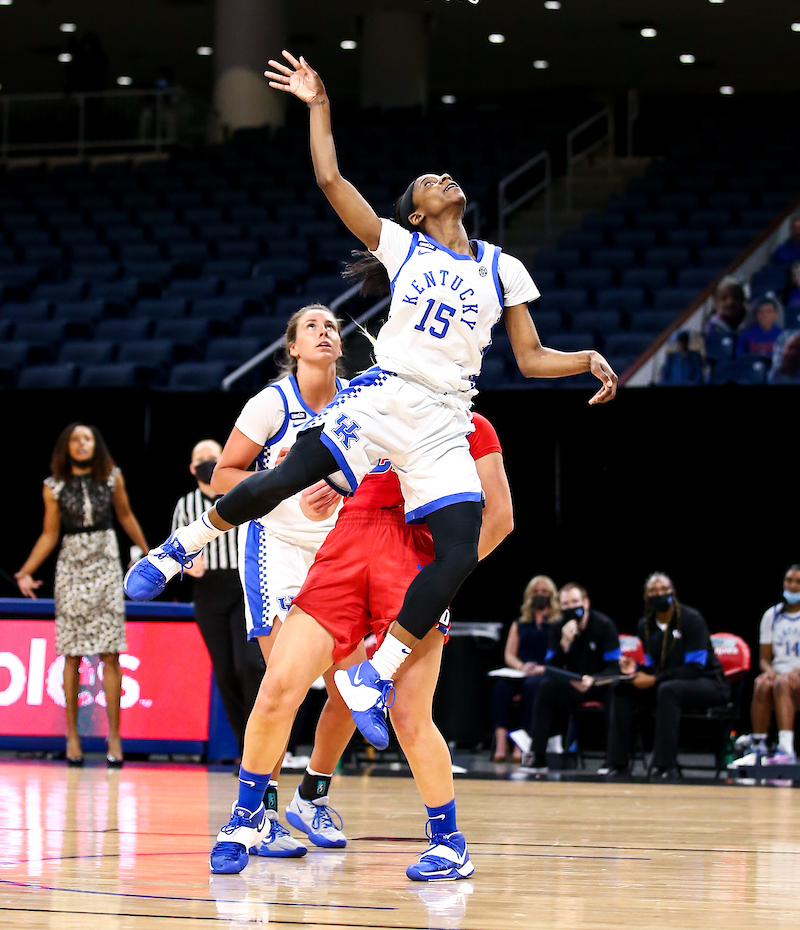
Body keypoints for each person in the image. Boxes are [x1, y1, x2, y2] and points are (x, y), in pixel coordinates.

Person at [126, 50, 617, 751]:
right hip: (386, 396)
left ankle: (372, 675)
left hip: (446, 420)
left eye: (446, 175)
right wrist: (318, 104)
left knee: (457, 554)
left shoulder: (501, 264)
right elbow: (330, 178)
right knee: (286, 475)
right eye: (430, 181)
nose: (445, 177)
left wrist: (583, 361)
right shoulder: (403, 248)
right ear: (417, 214)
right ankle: (181, 548)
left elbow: (531, 357)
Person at [209, 411, 513, 881]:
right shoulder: (369, 405)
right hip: (346, 541)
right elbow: (317, 480)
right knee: (278, 687)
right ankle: (247, 816)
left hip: (413, 549)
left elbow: (501, 517)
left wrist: (449, 574)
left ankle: (449, 844)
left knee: (410, 714)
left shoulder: (470, 424)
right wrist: (316, 482)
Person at [209, 304, 357, 858]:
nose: (326, 332)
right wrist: (289, 488)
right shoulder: (271, 402)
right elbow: (225, 475)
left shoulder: (361, 399)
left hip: (342, 555)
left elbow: (380, 473)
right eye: (313, 327)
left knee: (355, 688)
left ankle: (312, 796)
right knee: (284, 689)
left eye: (333, 328)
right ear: (293, 346)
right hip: (278, 550)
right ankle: (261, 814)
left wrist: (342, 489)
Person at [15, 423, 149, 767]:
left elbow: (126, 516)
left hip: (105, 560)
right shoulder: (53, 486)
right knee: (72, 654)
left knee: (110, 652)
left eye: (87, 438)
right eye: (75, 439)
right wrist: (27, 570)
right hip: (71, 565)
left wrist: (151, 556)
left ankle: (114, 736)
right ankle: (72, 736)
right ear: (66, 447)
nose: (81, 444)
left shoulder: (112, 477)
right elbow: (49, 534)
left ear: (96, 444)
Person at [171, 439, 264, 758]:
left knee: (248, 665)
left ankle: (257, 745)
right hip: (208, 590)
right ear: (192, 467)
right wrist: (187, 564)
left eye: (214, 456)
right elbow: (176, 548)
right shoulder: (186, 504)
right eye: (202, 458)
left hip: (241, 585)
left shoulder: (240, 494)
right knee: (224, 673)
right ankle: (243, 745)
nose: (208, 462)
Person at [604, 572, 728, 781]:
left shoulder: (691, 620)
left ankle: (664, 766)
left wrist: (653, 679)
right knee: (623, 689)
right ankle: (617, 764)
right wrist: (636, 669)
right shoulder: (645, 625)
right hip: (668, 683)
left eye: (663, 590)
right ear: (645, 597)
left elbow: (694, 668)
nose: (658, 594)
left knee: (667, 690)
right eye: (653, 591)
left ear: (673, 593)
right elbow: (656, 667)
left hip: (709, 683)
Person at [527, 583, 620, 772]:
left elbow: (614, 669)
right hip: (574, 684)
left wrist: (593, 679)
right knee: (546, 689)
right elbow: (550, 668)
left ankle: (614, 761)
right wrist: (564, 644)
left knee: (616, 693)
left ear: (586, 603)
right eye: (566, 604)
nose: (571, 607)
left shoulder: (604, 625)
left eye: (575, 602)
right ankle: (537, 756)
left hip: (600, 683)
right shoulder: (558, 628)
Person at [733, 564, 800, 767]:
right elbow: (764, 658)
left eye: (798, 581)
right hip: (780, 675)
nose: (793, 585)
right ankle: (759, 746)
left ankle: (786, 750)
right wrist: (769, 671)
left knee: (782, 684)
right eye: (789, 580)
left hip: (796, 676)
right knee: (761, 683)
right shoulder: (772, 616)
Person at [492, 575, 558, 761]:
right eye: (536, 592)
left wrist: (541, 669)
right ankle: (501, 745)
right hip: (521, 670)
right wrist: (521, 666)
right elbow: (509, 655)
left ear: (551, 596)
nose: (540, 595)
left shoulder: (556, 624)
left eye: (544, 592)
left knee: (531, 688)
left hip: (543, 672)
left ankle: (520, 746)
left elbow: (560, 656)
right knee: (501, 688)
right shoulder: (520, 623)